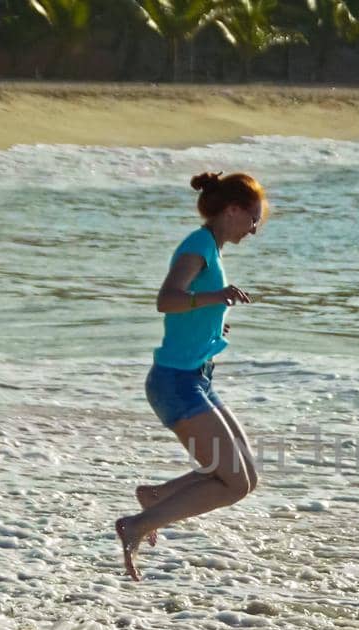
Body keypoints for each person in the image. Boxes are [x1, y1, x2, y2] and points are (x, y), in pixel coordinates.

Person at [114, 172, 266, 581]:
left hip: (195, 378)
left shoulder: (211, 250)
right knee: (232, 481)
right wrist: (216, 297)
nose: (255, 229)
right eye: (252, 218)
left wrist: (213, 327)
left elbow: (191, 311)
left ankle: (156, 496)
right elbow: (168, 299)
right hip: (175, 383)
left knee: (246, 473)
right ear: (231, 210)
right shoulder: (198, 246)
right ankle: (136, 524)